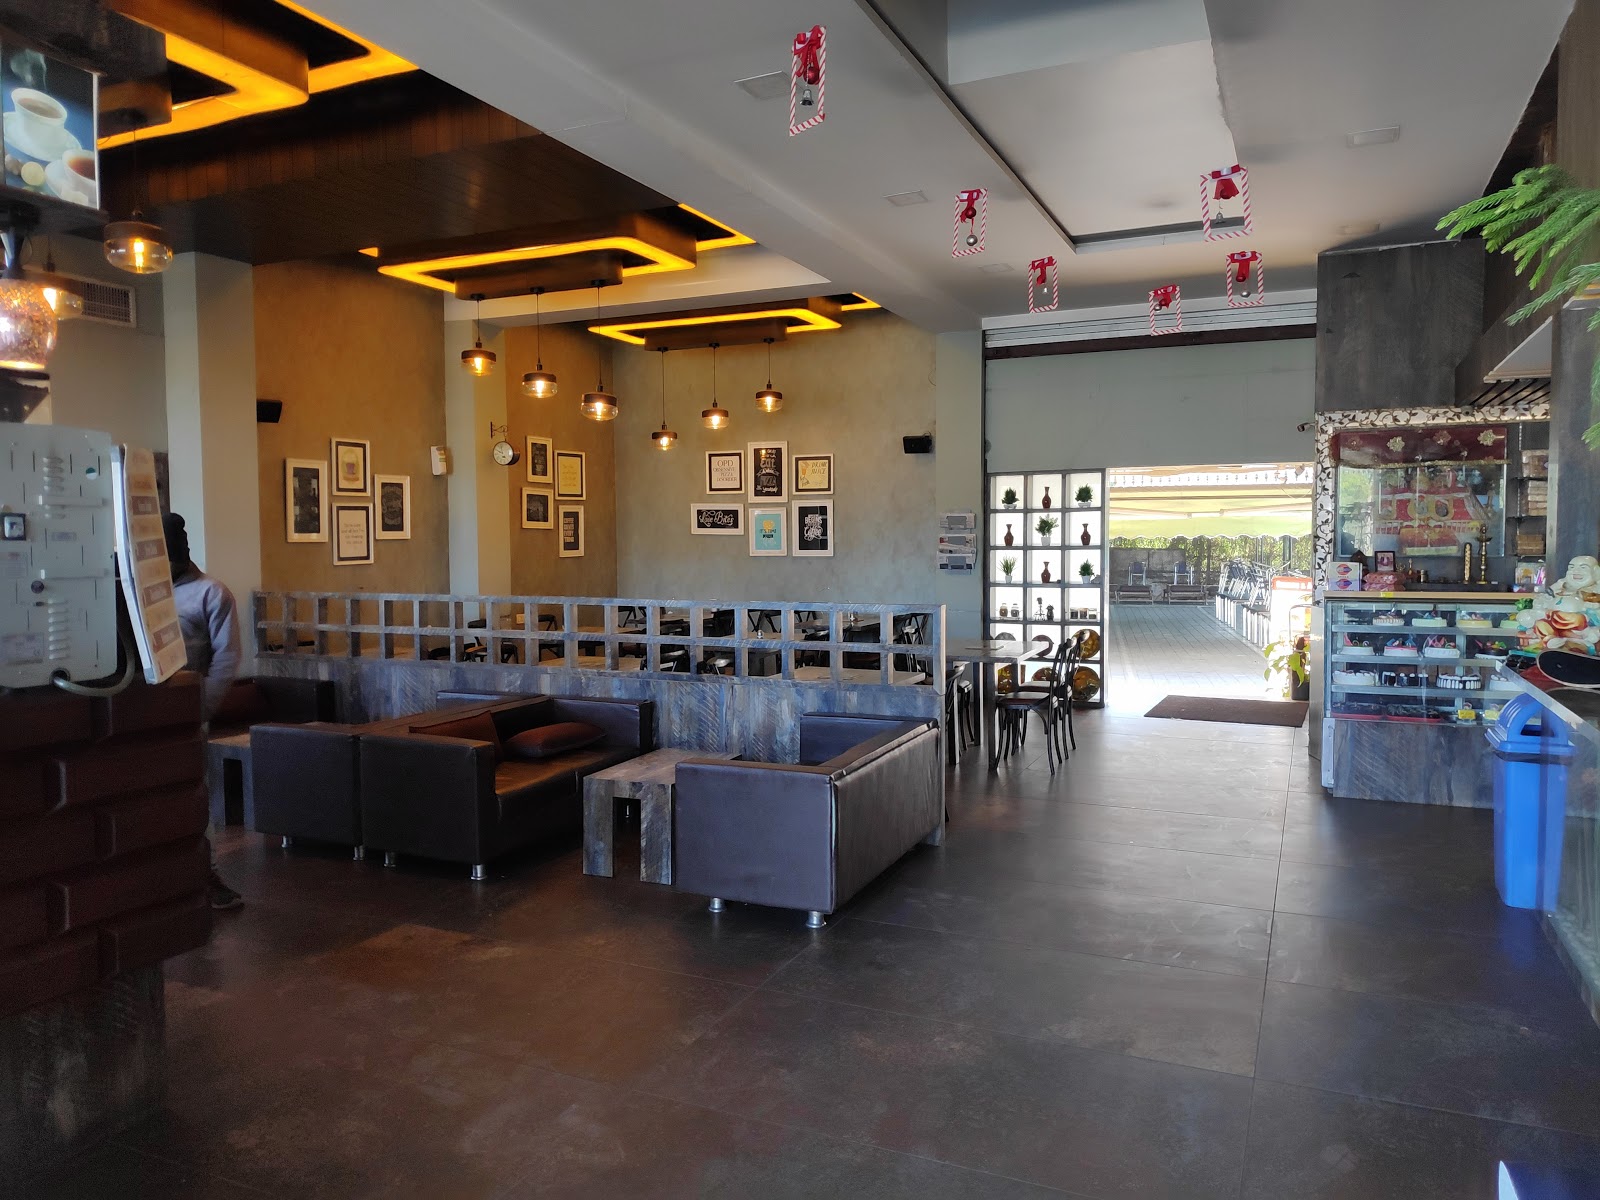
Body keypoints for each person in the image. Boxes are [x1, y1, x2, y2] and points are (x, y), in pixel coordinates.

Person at [163, 512, 244, 911]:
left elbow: (227, 659)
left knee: (196, 797)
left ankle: (205, 875)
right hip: (143, 715)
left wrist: (201, 709)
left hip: (189, 714)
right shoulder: (135, 593)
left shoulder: (211, 593)